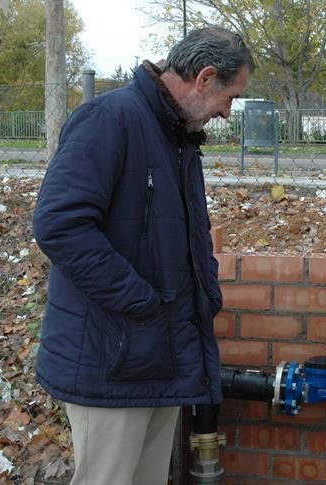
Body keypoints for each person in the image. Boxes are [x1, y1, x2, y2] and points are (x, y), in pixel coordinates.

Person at [32, 27, 254, 485]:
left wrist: (202, 295)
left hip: (160, 352)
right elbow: (60, 225)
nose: (227, 113)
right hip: (110, 359)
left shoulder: (178, 136)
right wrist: (141, 302)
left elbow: (187, 236)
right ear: (205, 78)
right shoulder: (110, 119)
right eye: (230, 97)